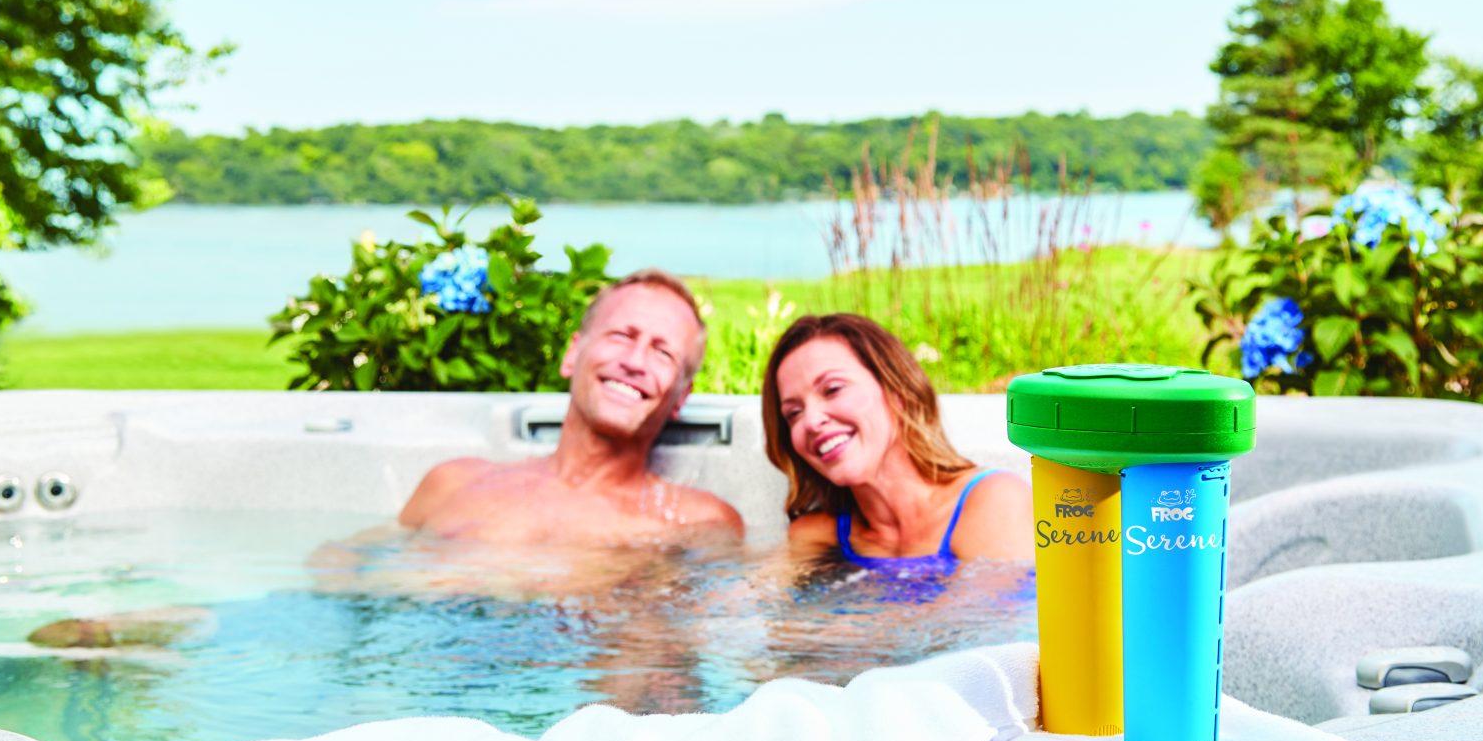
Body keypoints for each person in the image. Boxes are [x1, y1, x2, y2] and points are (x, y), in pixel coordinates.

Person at [398, 268, 745, 549]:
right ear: (572, 355)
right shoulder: (451, 482)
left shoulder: (697, 523)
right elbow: (356, 581)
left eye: (662, 353)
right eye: (622, 336)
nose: (635, 361)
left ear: (681, 397)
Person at [761, 313, 1033, 582]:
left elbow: (985, 620)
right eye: (793, 413)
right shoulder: (816, 536)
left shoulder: (993, 501)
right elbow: (753, 606)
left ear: (898, 391)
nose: (811, 420)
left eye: (832, 389)